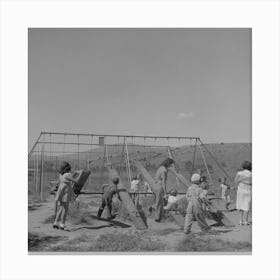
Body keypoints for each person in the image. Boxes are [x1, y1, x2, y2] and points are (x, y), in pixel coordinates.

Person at [53, 161, 78, 231]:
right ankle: (62, 224)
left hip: (61, 193)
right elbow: (76, 181)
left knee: (61, 208)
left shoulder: (61, 175)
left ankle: (55, 222)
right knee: (65, 209)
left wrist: (74, 174)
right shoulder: (68, 174)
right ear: (68, 167)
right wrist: (78, 173)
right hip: (65, 194)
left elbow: (69, 179)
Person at [154, 158, 174, 222]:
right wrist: (165, 193)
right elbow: (163, 182)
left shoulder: (161, 168)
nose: (171, 166)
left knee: (159, 202)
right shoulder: (164, 170)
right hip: (160, 187)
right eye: (171, 164)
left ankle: (158, 216)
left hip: (156, 186)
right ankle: (157, 217)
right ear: (168, 163)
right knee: (159, 202)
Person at [234, 161, 252, 225]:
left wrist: (242, 179)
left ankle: (241, 221)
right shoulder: (251, 174)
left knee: (240, 204)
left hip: (241, 189)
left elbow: (235, 181)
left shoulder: (239, 173)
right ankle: (246, 221)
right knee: (246, 205)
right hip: (248, 189)